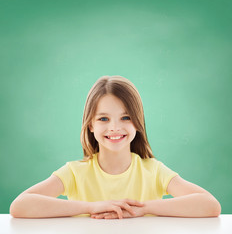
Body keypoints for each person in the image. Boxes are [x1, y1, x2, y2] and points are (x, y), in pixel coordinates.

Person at [10, 76, 221, 219]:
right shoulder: (75, 172)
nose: (114, 128)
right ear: (90, 125)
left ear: (137, 123)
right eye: (103, 118)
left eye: (125, 117)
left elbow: (210, 205)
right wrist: (92, 207)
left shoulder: (153, 170)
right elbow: (19, 206)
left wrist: (141, 209)